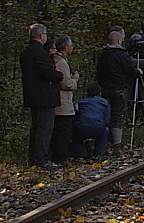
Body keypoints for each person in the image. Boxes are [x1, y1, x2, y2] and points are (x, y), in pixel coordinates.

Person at [20, 23, 64, 168]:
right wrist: (59, 75)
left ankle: (34, 158)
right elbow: (49, 73)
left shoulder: (26, 52)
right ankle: (40, 159)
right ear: (41, 36)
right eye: (45, 34)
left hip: (33, 96)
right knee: (44, 129)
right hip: (44, 97)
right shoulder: (39, 54)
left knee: (36, 128)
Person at [96, 26, 141, 149]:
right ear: (119, 40)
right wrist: (138, 73)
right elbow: (131, 71)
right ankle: (117, 142)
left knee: (106, 114)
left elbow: (98, 73)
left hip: (105, 88)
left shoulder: (102, 55)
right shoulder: (122, 55)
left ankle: (104, 140)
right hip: (119, 88)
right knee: (118, 115)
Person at [50, 35, 79, 164]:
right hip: (63, 103)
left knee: (58, 131)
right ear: (66, 47)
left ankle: (57, 156)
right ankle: (60, 157)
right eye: (71, 45)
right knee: (63, 132)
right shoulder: (61, 62)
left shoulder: (55, 60)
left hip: (58, 101)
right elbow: (65, 84)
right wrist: (74, 80)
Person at [72, 83, 111, 159]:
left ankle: (80, 154)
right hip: (98, 127)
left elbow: (75, 114)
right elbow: (107, 118)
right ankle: (98, 153)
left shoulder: (81, 102)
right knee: (104, 133)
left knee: (75, 136)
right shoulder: (105, 102)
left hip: (82, 126)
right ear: (100, 93)